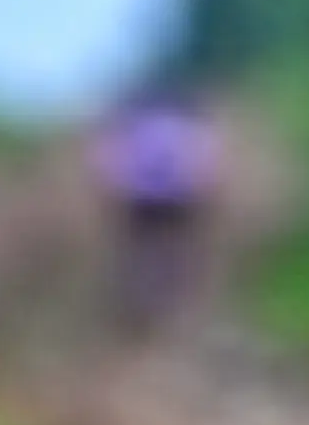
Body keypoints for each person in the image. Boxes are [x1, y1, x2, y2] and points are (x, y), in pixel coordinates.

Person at [88, 77, 223, 332]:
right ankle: (167, 301)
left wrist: (110, 193)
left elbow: (107, 165)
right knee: (173, 248)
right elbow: (205, 166)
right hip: (180, 197)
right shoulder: (188, 126)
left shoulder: (132, 125)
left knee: (138, 249)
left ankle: (139, 301)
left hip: (137, 197)